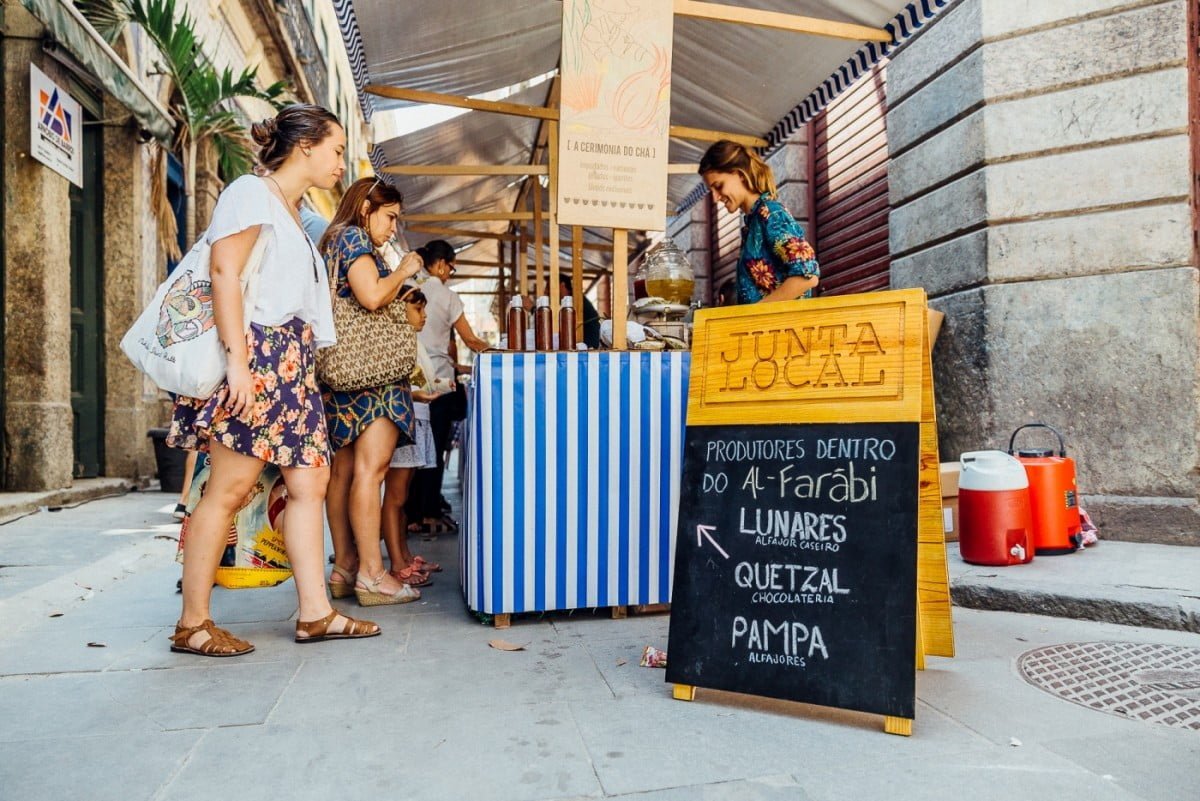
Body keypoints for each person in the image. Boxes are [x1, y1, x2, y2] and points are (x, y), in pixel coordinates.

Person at [165, 104, 379, 656]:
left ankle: (316, 614)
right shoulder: (251, 193)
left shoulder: (292, 211)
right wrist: (238, 362)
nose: (340, 162)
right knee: (229, 490)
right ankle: (192, 623)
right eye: (335, 150)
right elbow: (223, 273)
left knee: (311, 484)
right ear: (304, 146)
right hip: (257, 356)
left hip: (293, 364)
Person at [318, 177, 425, 606]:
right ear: (366, 206)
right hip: (374, 380)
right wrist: (402, 270)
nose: (393, 229)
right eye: (390, 217)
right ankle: (373, 575)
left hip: (342, 376)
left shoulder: (332, 240)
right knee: (370, 472)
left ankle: (345, 566)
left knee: (343, 474)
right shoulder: (355, 240)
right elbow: (371, 296)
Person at [406, 240, 489, 536]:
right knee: (434, 451)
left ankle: (411, 514)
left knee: (411, 454)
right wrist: (503, 353)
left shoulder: (407, 286)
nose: (450, 273)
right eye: (451, 267)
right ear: (441, 264)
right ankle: (428, 512)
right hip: (436, 385)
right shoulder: (447, 297)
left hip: (408, 383)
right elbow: (472, 341)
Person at [699, 140, 819, 304]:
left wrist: (755, 313)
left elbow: (807, 277)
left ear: (740, 175)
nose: (715, 198)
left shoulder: (770, 214)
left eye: (718, 186)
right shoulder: (754, 222)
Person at [380, 289, 442, 585]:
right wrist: (418, 394)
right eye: (417, 308)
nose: (424, 315)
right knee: (395, 497)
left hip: (417, 417)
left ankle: (403, 555)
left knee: (403, 497)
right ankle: (396, 563)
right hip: (404, 420)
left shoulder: (412, 342)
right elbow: (398, 385)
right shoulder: (395, 342)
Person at [557, 276, 601, 349]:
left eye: (549, 287)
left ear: (562, 285)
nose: (547, 291)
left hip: (588, 345)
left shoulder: (576, 300)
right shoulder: (568, 302)